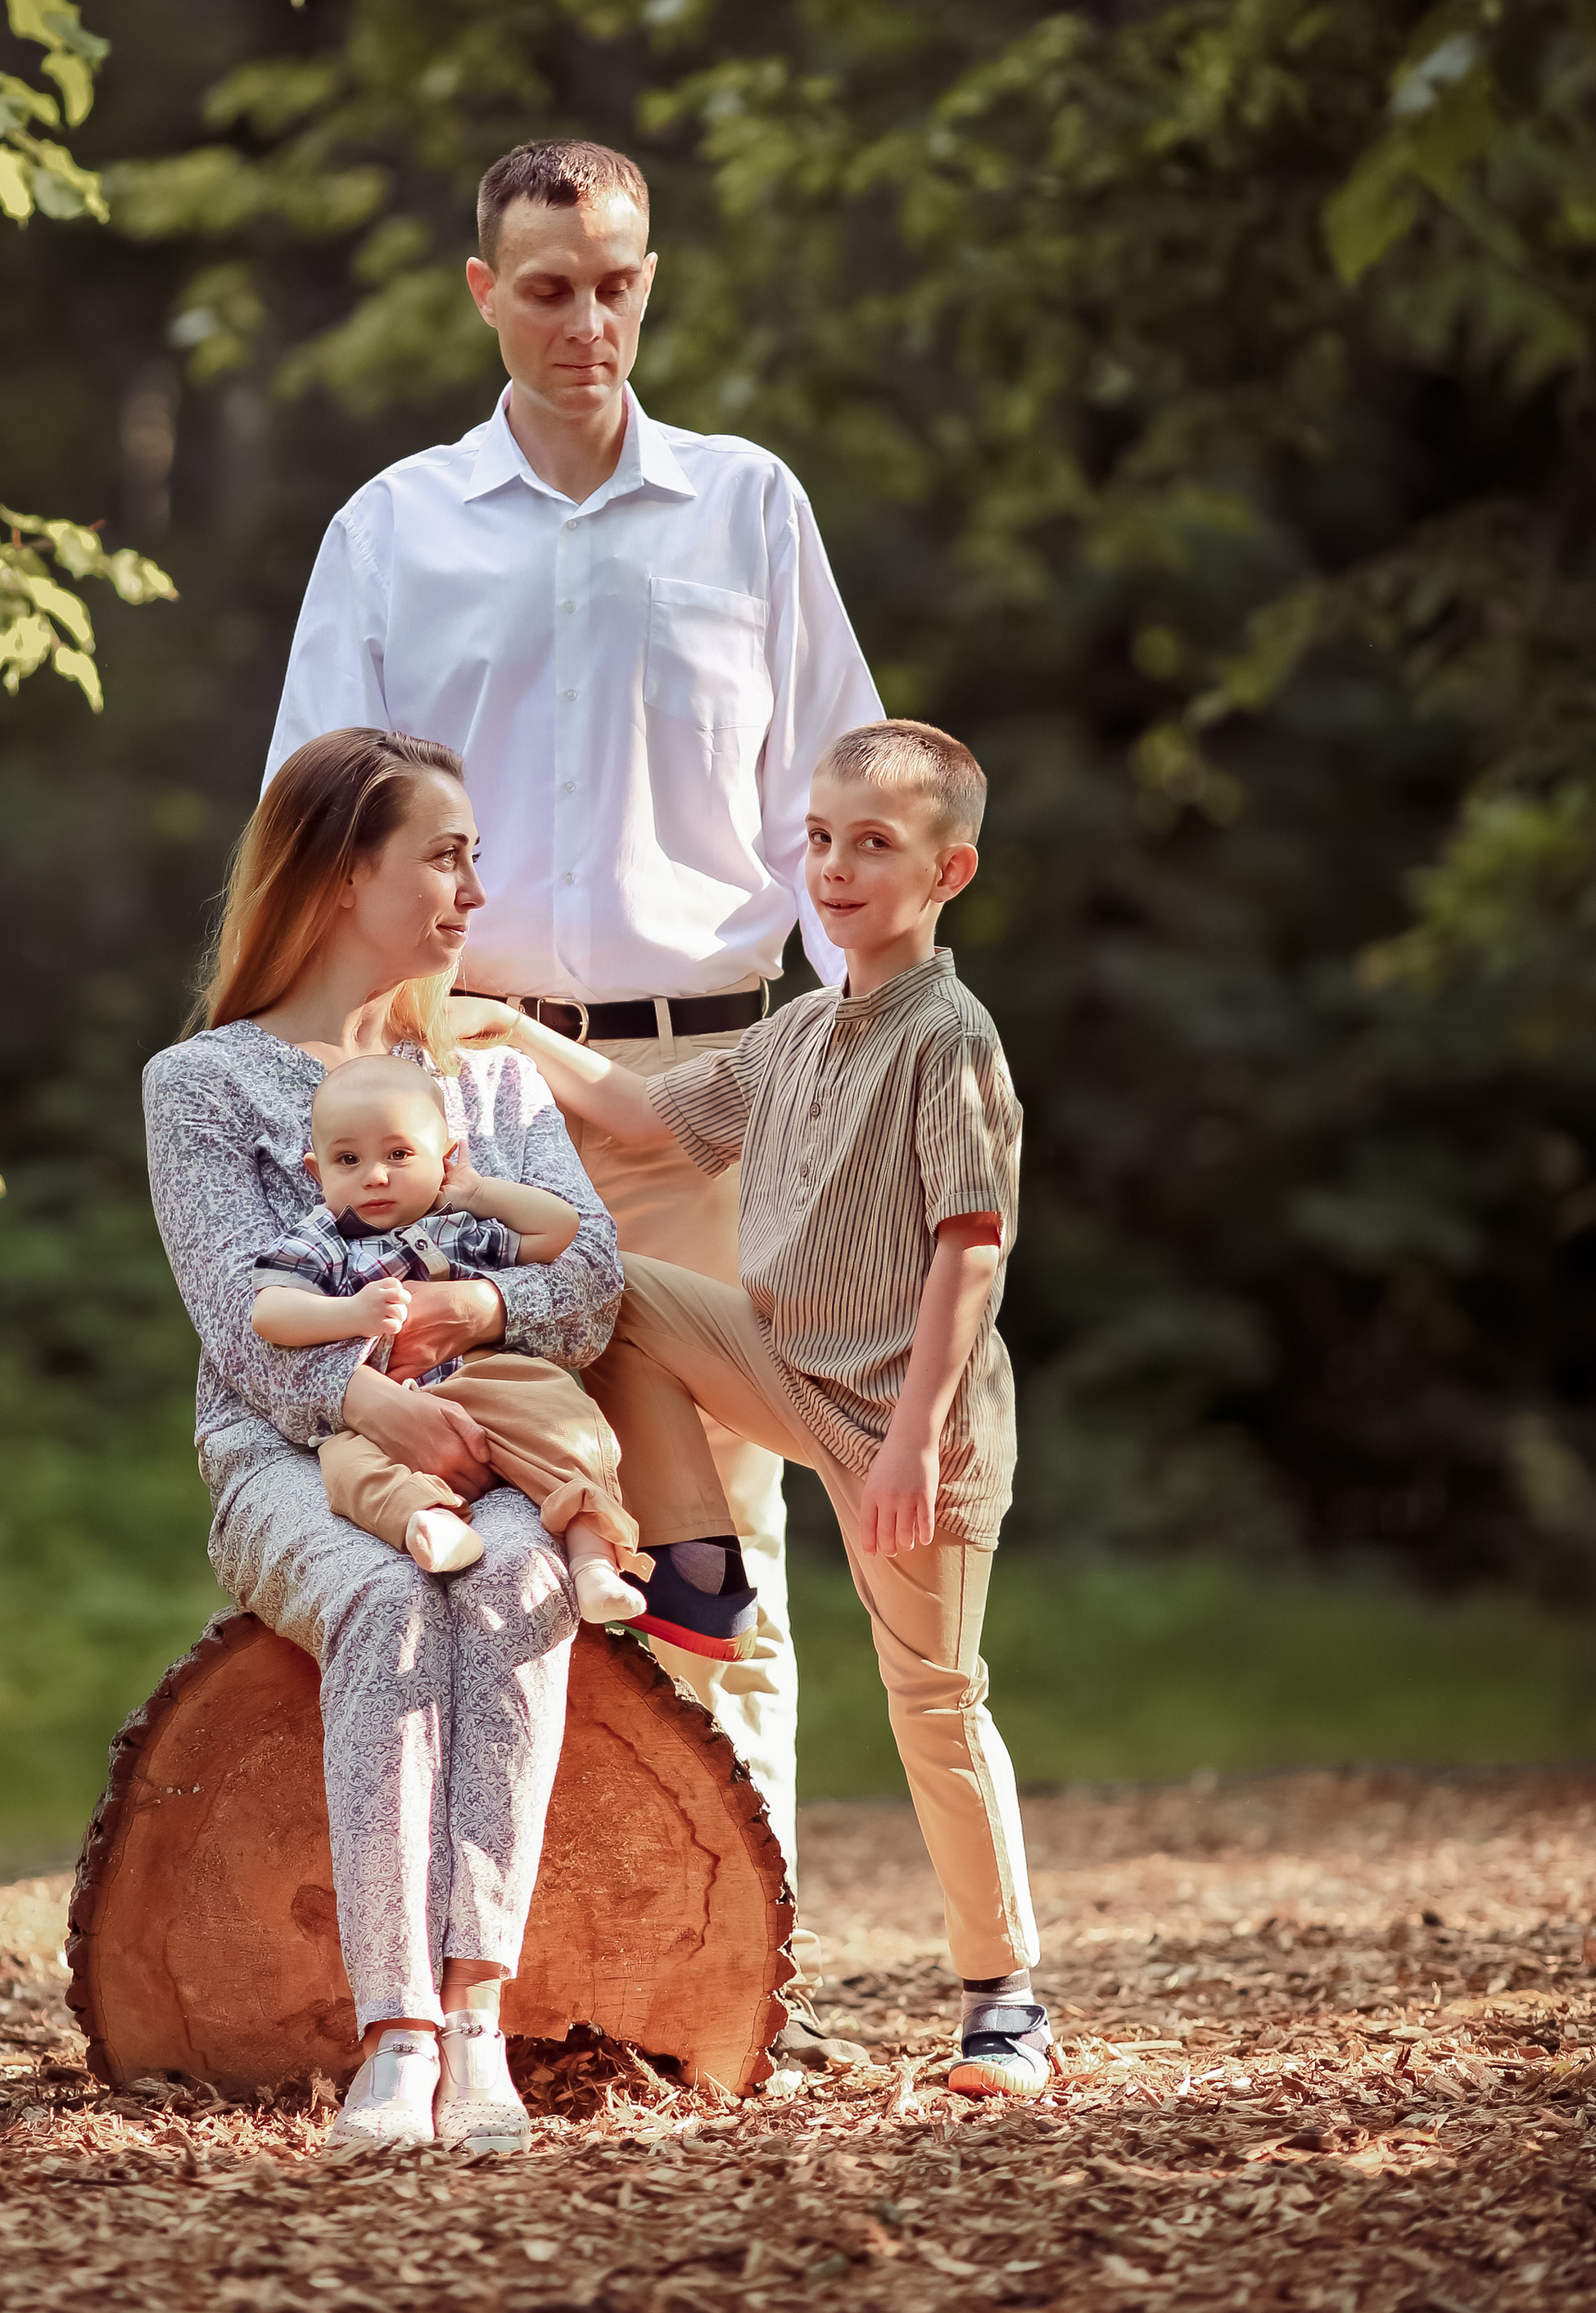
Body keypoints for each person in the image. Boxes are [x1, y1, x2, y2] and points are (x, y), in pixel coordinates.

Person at [266, 136, 881, 1971]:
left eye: (616, 280)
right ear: (483, 295)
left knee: (721, 1549)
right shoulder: (391, 528)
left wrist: (863, 1074)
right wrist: (333, 1077)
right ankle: (489, 1976)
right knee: (496, 1514)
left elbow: (836, 816)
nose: (586, 320)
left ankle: (732, 1969)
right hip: (465, 1112)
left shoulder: (745, 507)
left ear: (649, 277)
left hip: (703, 1101)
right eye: (547, 286)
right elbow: (319, 826)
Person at [455, 717, 1055, 2098]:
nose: (838, 868)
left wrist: (908, 1443)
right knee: (620, 1287)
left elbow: (976, 1245)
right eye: (823, 841)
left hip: (918, 1421)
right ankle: (696, 1563)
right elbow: (653, 1118)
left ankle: (1004, 2000)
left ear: (949, 869)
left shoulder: (945, 1034)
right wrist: (503, 1028)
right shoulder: (799, 1032)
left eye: (876, 846)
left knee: (936, 1702)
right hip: (787, 1364)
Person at [142, 726, 628, 2158]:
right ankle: (396, 2030)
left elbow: (587, 1284)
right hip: (289, 1463)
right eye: (446, 853)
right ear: (348, 872)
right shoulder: (203, 1085)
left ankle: (477, 2018)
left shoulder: (484, 1080)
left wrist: (475, 1304)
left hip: (489, 1445)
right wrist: (370, 1402)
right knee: (383, 1602)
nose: (475, 886)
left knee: (519, 1585)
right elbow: (239, 1318)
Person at [250, 1053, 646, 1618]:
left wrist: (479, 1192)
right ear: (318, 1174)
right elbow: (270, 1313)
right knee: (344, 1467)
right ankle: (428, 1520)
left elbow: (558, 1231)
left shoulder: (457, 1225)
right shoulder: (324, 1238)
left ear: (446, 1157)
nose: (375, 1175)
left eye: (399, 1154)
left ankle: (594, 1563)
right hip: (382, 1399)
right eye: (348, 1159)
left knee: (561, 1418)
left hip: (482, 1377)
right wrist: (353, 1315)